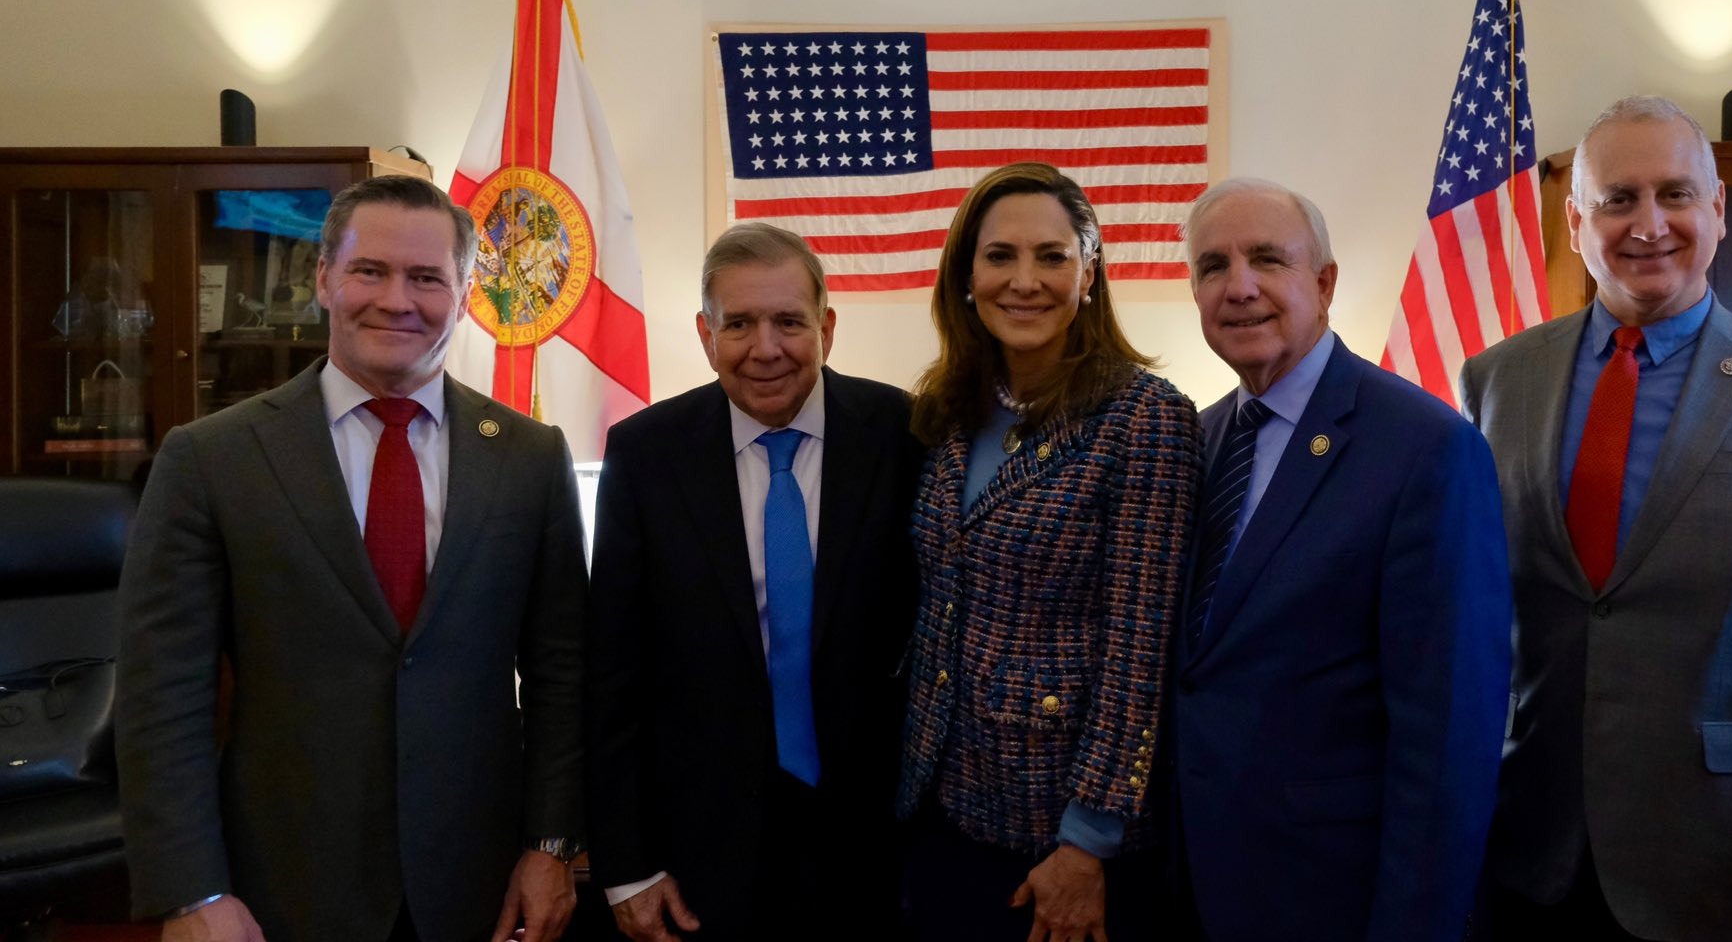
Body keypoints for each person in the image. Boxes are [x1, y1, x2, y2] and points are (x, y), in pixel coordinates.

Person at [1460, 96, 1732, 942]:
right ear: (1574, 221)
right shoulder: (1497, 380)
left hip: (1727, 866)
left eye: (1674, 194)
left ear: (1717, 210)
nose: (1648, 224)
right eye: (1618, 199)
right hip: (1526, 855)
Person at [116, 174, 586, 942]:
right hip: (280, 887)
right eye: (371, 271)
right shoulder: (213, 459)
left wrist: (552, 846)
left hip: (480, 883)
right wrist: (190, 891)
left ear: (464, 295)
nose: (398, 300)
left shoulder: (530, 458)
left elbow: (564, 674)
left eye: (428, 278)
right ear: (324, 279)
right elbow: (162, 694)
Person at [1170, 177, 1511, 942]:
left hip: (1339, 900)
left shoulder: (1425, 449)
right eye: (1213, 267)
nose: (1240, 287)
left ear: (1323, 284)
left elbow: (1451, 736)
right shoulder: (1196, 440)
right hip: (1197, 887)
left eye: (1267, 259)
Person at [584, 222, 921, 940]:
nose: (765, 348)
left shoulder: (906, 434)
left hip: (877, 850)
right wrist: (628, 864)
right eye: (738, 323)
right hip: (700, 860)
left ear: (827, 328)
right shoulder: (645, 455)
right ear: (706, 335)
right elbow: (614, 673)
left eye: (789, 322)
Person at [897, 162, 1200, 942]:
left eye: (1052, 256)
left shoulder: (1144, 418)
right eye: (1000, 256)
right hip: (940, 808)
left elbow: (1140, 648)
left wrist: (1086, 840)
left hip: (1064, 840)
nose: (1023, 281)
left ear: (1089, 273)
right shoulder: (947, 411)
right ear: (967, 276)